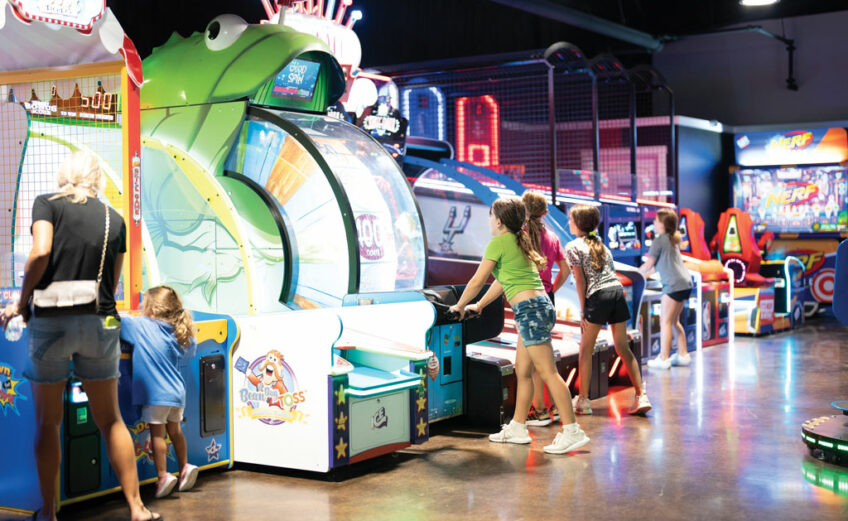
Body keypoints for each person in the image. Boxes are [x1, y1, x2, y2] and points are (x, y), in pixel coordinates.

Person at [1, 152, 160, 521]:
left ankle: (50, 514)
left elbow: (41, 252)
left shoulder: (47, 205)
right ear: (98, 179)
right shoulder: (114, 219)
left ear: (64, 176)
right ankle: (137, 509)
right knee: (111, 420)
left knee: (49, 422)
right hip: (99, 322)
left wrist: (20, 303)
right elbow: (113, 282)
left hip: (52, 322)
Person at [449, 197, 589, 454]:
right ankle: (517, 427)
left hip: (530, 311)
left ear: (499, 220)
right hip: (539, 307)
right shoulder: (517, 240)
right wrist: (479, 306)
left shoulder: (498, 242)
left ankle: (572, 431)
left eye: (491, 216)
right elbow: (501, 282)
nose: (489, 221)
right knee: (522, 371)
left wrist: (459, 306)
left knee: (547, 372)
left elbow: (478, 280)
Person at [565, 204, 651, 416]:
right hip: (617, 294)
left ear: (578, 223)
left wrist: (583, 311)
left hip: (598, 297)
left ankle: (583, 401)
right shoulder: (600, 244)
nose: (568, 223)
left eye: (571, 220)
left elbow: (580, 280)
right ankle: (641, 395)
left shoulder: (573, 246)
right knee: (623, 347)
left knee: (585, 350)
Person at [121, 286, 198, 498]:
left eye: (143, 305)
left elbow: (116, 322)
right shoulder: (178, 329)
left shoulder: (141, 326)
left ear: (152, 310)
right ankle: (184, 467)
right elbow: (191, 350)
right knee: (175, 431)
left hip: (156, 394)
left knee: (158, 435)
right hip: (176, 393)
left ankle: (163, 476)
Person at [521, 191, 569, 427]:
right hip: (547, 297)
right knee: (545, 358)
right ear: (545, 213)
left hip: (529, 297)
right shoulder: (551, 236)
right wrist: (552, 290)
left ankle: (539, 410)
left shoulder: (521, 236)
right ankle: (553, 408)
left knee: (532, 363)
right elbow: (566, 269)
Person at [639, 208, 694, 369]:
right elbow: (658, 266)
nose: (653, 223)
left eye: (656, 220)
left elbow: (649, 264)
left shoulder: (659, 240)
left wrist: (634, 273)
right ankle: (683, 355)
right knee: (674, 321)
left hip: (673, 285)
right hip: (685, 284)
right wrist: (646, 274)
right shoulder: (672, 239)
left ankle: (663, 358)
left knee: (665, 321)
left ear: (662, 224)